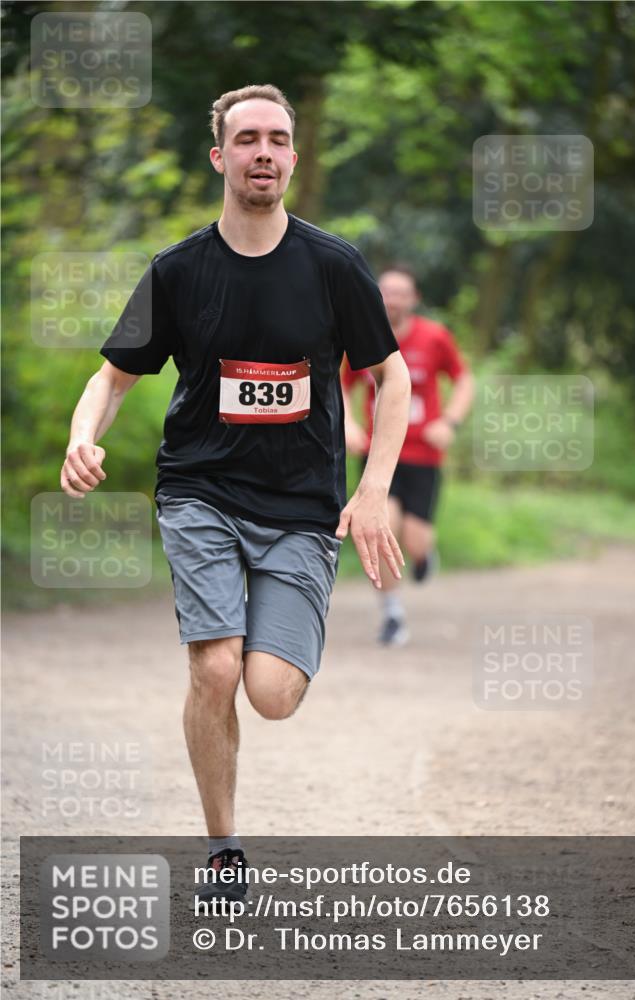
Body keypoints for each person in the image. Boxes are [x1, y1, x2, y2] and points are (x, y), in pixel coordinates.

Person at [60, 85, 410, 903]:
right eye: (246, 138)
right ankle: (223, 847)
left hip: (299, 506)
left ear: (292, 157)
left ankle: (272, 634)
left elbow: (390, 379)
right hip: (200, 491)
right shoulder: (179, 271)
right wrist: (84, 436)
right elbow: (111, 378)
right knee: (214, 669)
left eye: (278, 139)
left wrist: (373, 490)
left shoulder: (333, 266)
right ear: (219, 156)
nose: (263, 151)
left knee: (271, 694)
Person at [342, 264, 474, 646]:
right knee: (383, 529)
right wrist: (348, 424)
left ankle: (423, 557)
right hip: (379, 452)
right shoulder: (364, 336)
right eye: (386, 292)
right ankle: (392, 615)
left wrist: (450, 422)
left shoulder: (434, 337)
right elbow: (338, 380)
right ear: (375, 296)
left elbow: (463, 379)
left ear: (414, 299)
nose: (393, 300)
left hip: (422, 454)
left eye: (401, 292)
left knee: (415, 541)